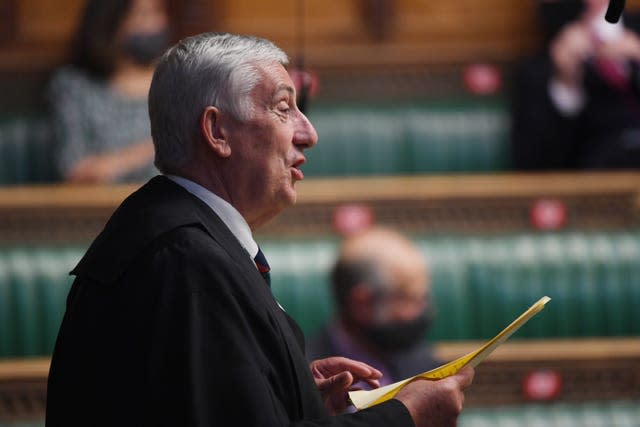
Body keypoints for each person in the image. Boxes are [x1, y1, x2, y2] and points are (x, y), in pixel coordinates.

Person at [45, 32, 474, 426]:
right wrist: (407, 417)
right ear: (217, 132)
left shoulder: (173, 232)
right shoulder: (187, 262)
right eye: (284, 108)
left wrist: (288, 392)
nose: (309, 133)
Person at [47, 0, 171, 183]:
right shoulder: (75, 86)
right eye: (141, 15)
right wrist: (154, 150)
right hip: (101, 209)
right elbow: (77, 173)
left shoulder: (177, 78)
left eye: (157, 12)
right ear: (108, 21)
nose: (153, 24)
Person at [511, 0, 640, 169]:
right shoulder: (540, 67)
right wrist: (566, 83)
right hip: (598, 176)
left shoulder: (635, 29)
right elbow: (535, 160)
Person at [307, 227, 441, 388]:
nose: (421, 310)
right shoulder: (307, 377)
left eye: (423, 298)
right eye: (407, 299)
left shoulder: (421, 361)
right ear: (361, 303)